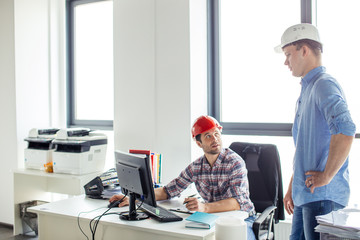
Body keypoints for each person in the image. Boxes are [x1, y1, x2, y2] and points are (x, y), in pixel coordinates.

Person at [110, 115, 256, 239]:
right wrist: (134, 198)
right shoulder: (196, 167)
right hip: (213, 219)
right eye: (208, 136)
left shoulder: (235, 162)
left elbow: (236, 203)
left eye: (216, 133)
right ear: (199, 143)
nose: (215, 139)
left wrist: (204, 207)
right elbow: (168, 191)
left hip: (242, 219)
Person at [275, 23, 356, 239]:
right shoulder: (307, 90)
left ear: (304, 50)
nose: (285, 62)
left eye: (288, 54)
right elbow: (305, 148)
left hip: (322, 197)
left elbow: (346, 129)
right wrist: (293, 186)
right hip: (306, 196)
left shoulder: (324, 85)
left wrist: (327, 176)